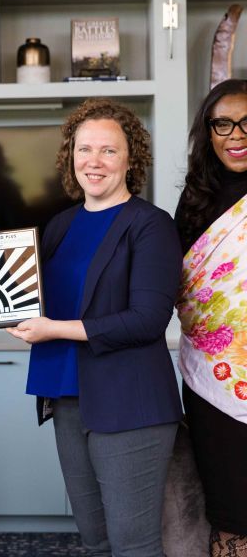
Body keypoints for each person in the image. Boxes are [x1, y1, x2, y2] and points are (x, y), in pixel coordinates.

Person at [7, 98, 182, 557]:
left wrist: (54, 330)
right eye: (84, 149)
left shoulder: (150, 226)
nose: (94, 161)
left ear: (131, 158)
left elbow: (147, 321)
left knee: (133, 544)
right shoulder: (60, 226)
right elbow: (33, 297)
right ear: (70, 157)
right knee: (95, 539)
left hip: (129, 404)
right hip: (68, 400)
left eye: (109, 150)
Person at [175, 79, 247, 557]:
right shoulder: (195, 201)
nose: (236, 134)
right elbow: (179, 286)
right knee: (230, 509)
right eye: (223, 123)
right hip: (215, 381)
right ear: (208, 131)